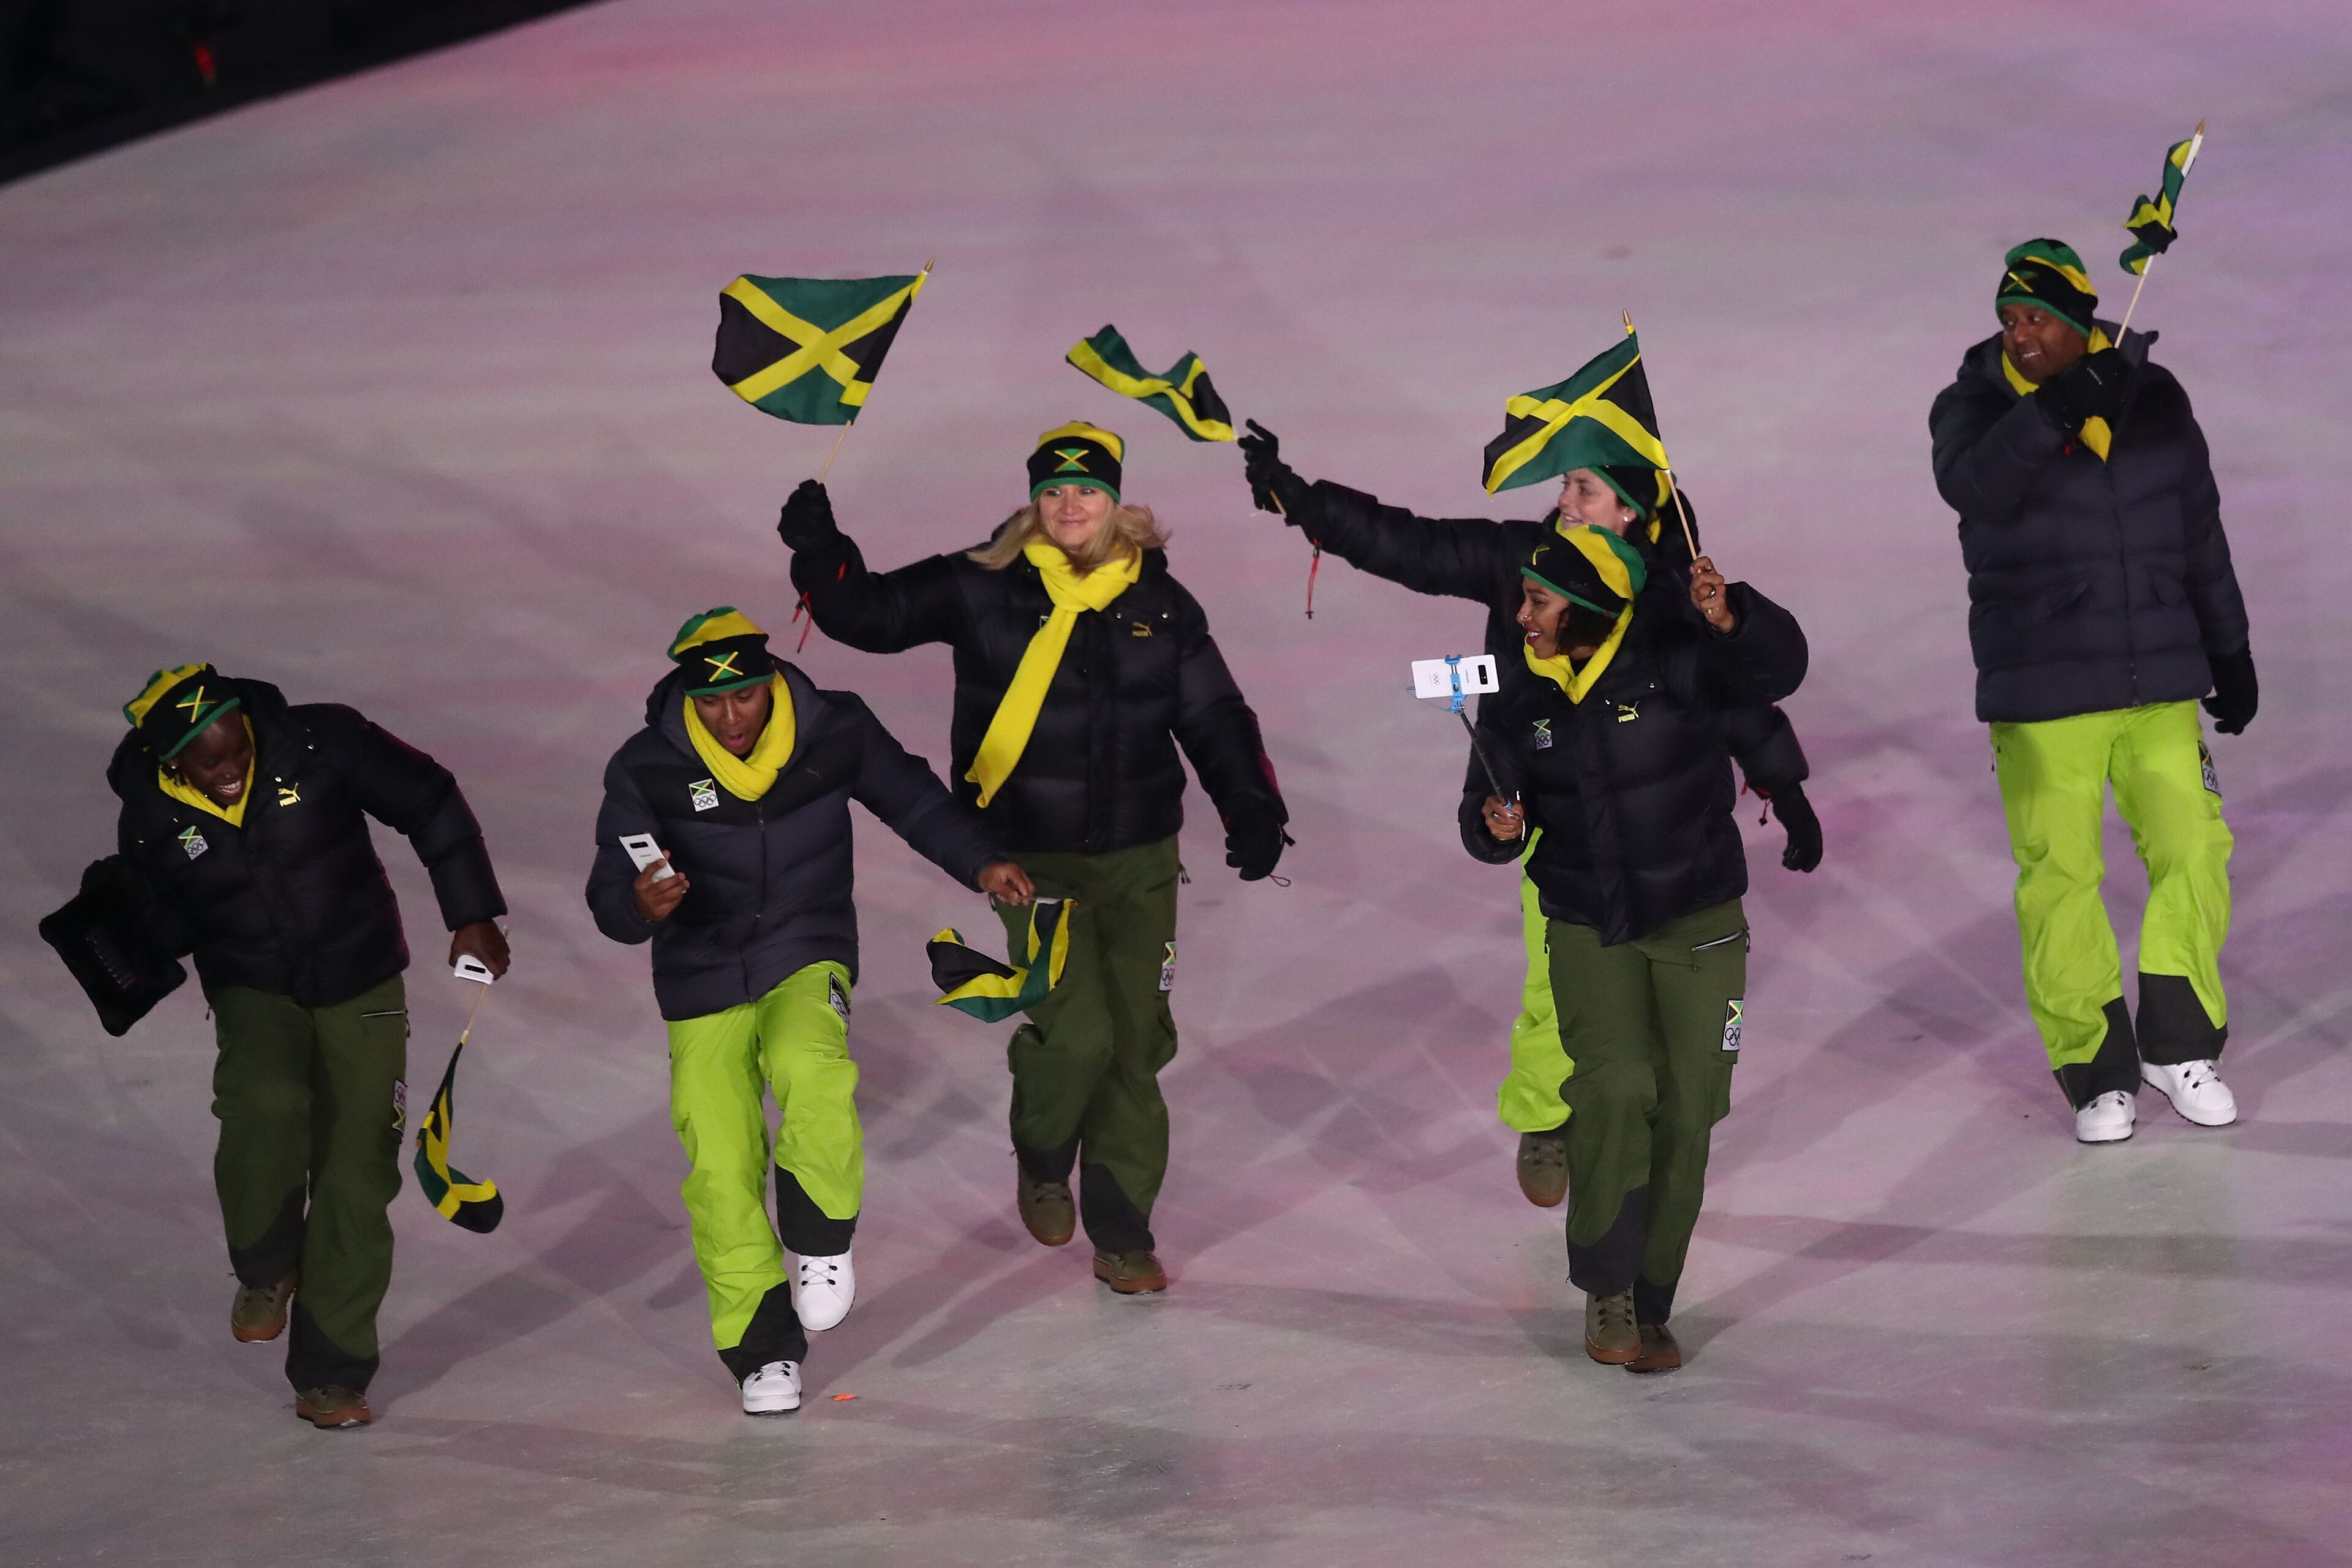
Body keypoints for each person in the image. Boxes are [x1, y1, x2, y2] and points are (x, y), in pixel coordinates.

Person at [1237, 426, 1819, 1206]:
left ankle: (1631, 1116)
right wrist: (1307, 503)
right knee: (1559, 974)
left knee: (1660, 983)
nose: (1564, 501)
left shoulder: (1676, 583)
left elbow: (1737, 699)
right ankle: (1548, 1117)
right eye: (1564, 486)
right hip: (1553, 796)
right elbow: (1412, 545)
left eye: (1584, 489)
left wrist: (1784, 784)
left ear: (1629, 511)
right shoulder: (1523, 560)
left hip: (1664, 819)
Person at [777, 422, 1289, 1295]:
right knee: (1075, 1033)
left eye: (1086, 490)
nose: (1069, 507)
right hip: (1027, 859)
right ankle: (1046, 1153)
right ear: (1033, 501)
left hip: (1139, 861)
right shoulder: (982, 585)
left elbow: (1213, 717)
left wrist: (1251, 806)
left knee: (1135, 1044)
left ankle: (1124, 1233)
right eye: (1053, 492)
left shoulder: (1161, 605)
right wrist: (823, 552)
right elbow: (871, 615)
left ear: (1116, 501)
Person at [587, 609, 1029, 1416]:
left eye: (745, 698)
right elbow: (608, 898)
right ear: (688, 698)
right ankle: (762, 1352)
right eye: (712, 704)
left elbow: (916, 801)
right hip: (702, 974)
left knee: (810, 1066)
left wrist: (982, 862)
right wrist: (640, 904)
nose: (732, 719)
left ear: (769, 683)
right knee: (718, 1164)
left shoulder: (835, 730)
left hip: (805, 945)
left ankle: (822, 1241)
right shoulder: (646, 767)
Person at [106, 663, 510, 1429]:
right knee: (263, 1101)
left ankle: (331, 1373)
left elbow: (427, 798)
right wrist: (124, 939)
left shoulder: (322, 741)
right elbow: (171, 923)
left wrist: (473, 911)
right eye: (211, 763)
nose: (231, 770)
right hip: (253, 986)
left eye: (237, 751)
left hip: (360, 976)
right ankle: (265, 1268)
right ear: (172, 762)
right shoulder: (150, 818)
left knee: (358, 1170)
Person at [1929, 239, 2252, 1144]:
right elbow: (1975, 489)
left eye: (2038, 319)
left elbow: (2198, 532)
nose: (2021, 335)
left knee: (2195, 847)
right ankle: (2095, 1069)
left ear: (2079, 321)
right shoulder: (1971, 407)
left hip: (2158, 680)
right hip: (2044, 694)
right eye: (2010, 319)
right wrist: (2059, 408)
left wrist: (2230, 650)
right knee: (2062, 878)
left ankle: (2178, 1044)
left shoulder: (2155, 397)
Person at [1464, 527, 1805, 1370]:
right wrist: (1495, 826)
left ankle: (1653, 1303)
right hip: (1589, 923)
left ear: (1583, 607)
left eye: (1538, 601)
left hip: (1699, 921)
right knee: (1616, 1087)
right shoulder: (1520, 696)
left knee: (1690, 1112)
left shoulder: (1676, 658)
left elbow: (1768, 681)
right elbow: (1484, 808)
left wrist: (1736, 620)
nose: (1521, 617)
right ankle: (1608, 1289)